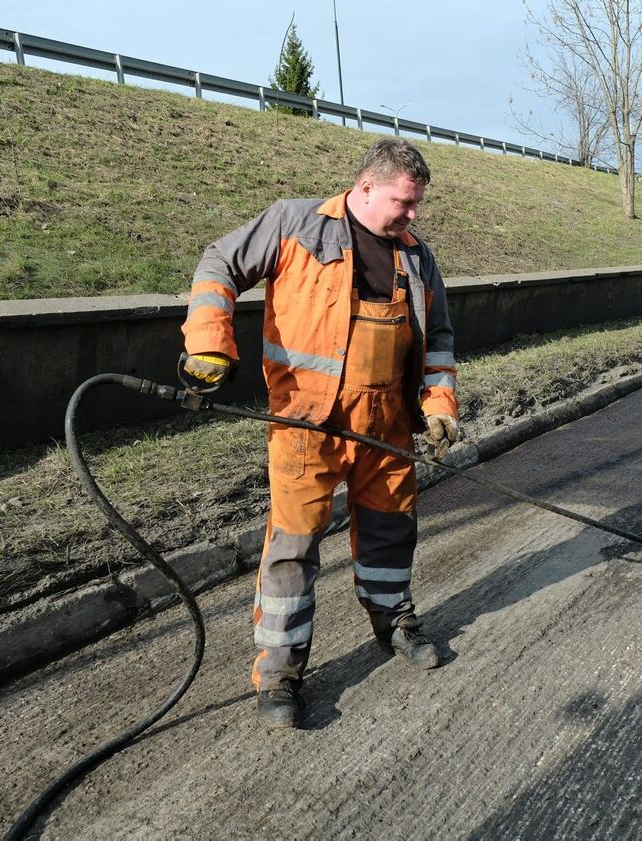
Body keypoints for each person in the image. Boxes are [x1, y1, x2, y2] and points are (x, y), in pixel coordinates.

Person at [179, 139, 459, 729]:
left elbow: (438, 340)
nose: (413, 216)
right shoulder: (295, 224)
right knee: (293, 548)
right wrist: (208, 342)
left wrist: (438, 403)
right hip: (307, 422)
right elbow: (218, 264)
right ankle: (279, 674)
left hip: (387, 424)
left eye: (416, 205)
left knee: (391, 533)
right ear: (364, 188)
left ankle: (395, 622)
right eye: (403, 203)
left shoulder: (417, 257)